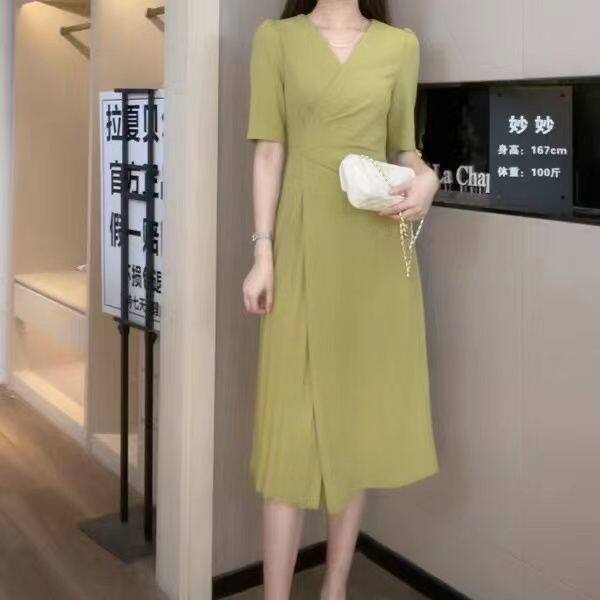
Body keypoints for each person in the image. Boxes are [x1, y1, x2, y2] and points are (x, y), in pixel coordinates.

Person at [242, 1, 440, 598]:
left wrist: (429, 180)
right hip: (302, 243)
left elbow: (403, 150)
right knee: (289, 431)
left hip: (373, 253)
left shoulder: (400, 46)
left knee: (355, 421)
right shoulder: (276, 39)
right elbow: (269, 150)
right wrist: (263, 252)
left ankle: (335, 588)